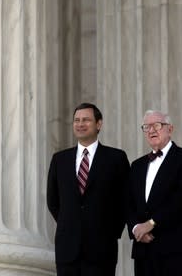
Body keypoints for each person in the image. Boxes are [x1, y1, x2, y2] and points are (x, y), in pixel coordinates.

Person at [47, 102, 130, 276]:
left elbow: (125, 200)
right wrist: (70, 224)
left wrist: (110, 231)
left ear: (99, 124)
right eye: (76, 120)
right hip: (67, 250)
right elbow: (53, 201)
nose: (80, 124)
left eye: (86, 120)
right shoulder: (59, 159)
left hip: (102, 249)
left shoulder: (116, 158)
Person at [127, 110, 182, 276]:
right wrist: (136, 228)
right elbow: (128, 203)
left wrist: (151, 223)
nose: (151, 130)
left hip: (175, 249)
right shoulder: (136, 165)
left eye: (157, 125)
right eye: (146, 127)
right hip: (143, 250)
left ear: (170, 129)